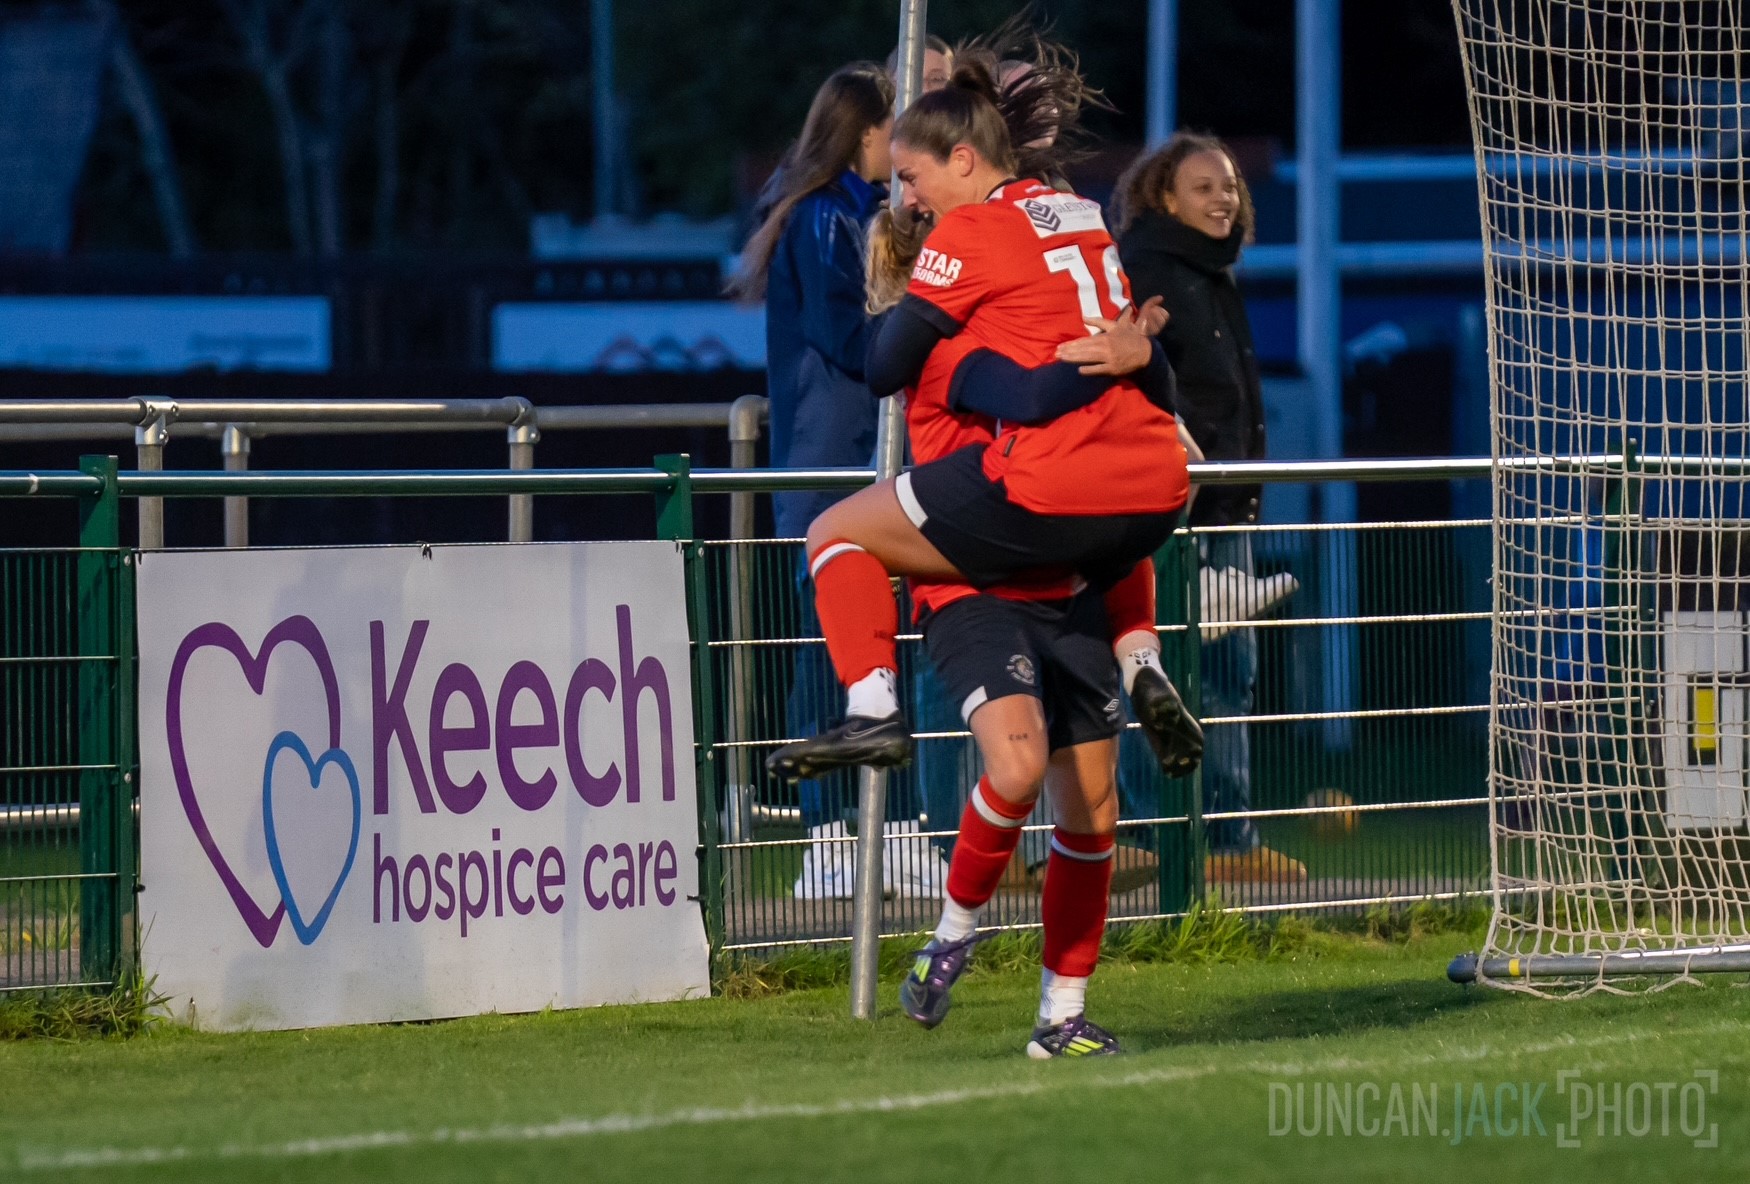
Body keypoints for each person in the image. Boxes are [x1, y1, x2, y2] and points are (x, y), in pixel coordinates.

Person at [765, 59, 1198, 789]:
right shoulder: (1084, 216)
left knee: (835, 534)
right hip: (1153, 491)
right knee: (1082, 815)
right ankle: (1143, 661)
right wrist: (1139, 354)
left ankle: (871, 707)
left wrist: (921, 314)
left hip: (1016, 528)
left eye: (910, 179)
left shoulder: (963, 254)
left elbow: (894, 368)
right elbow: (1136, 378)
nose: (905, 201)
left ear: (962, 161)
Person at [1113, 134, 1306, 883]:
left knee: (1230, 667)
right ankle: (1168, 835)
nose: (1223, 199)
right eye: (1204, 187)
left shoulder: (1215, 272)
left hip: (1228, 504)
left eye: (1228, 187)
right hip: (1174, 507)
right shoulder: (1147, 267)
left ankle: (1226, 835)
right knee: (1155, 669)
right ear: (1164, 196)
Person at [732, 63, 895, 835]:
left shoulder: (843, 211)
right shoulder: (824, 218)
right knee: (826, 643)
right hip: (831, 457)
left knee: (849, 639)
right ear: (867, 134)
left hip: (839, 455)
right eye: (896, 130)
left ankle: (858, 828)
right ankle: (831, 831)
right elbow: (851, 336)